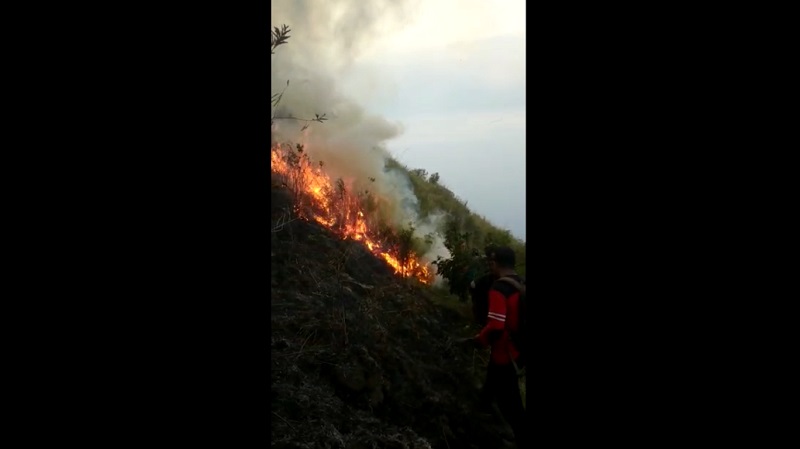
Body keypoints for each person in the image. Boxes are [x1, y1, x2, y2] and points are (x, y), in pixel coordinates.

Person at [472, 246, 525, 446]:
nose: (489, 266)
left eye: (490, 263)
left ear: (495, 263)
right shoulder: (521, 283)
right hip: (519, 349)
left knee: (510, 401)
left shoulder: (499, 288)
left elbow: (495, 326)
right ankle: (483, 406)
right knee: (492, 378)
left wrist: (480, 339)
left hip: (506, 352)